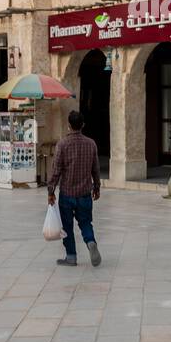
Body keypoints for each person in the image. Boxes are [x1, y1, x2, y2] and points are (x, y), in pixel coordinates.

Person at [47, 110, 101, 267]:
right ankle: (90, 241)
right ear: (83, 125)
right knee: (85, 223)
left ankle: (71, 256)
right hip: (85, 193)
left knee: (67, 226)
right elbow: (96, 169)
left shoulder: (62, 144)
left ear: (69, 125)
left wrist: (50, 191)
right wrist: (96, 187)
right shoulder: (91, 144)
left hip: (67, 194)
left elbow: (56, 170)